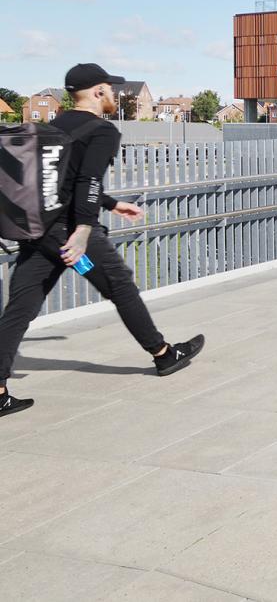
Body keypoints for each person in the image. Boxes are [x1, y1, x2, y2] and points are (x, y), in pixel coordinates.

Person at [0, 63, 204, 420]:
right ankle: (163, 354)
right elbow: (87, 181)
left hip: (39, 230)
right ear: (97, 92)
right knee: (121, 287)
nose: (114, 94)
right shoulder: (101, 130)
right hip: (70, 234)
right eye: (111, 89)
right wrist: (82, 231)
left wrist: (113, 203)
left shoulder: (52, 126)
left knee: (20, 309)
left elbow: (60, 180)